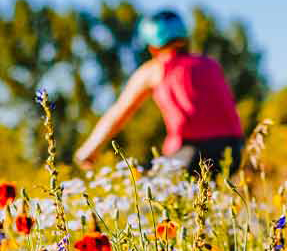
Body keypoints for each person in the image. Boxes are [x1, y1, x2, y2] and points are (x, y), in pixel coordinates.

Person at [74, 10, 245, 177]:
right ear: (185, 39)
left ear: (152, 47)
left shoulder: (156, 69)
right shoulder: (210, 64)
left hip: (191, 153)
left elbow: (119, 112)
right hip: (234, 150)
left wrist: (89, 150)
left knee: (148, 193)